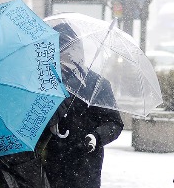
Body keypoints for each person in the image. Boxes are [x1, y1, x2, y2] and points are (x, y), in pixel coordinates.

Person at [42, 23, 124, 188]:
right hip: (50, 166)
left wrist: (96, 136)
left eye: (67, 48)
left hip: (84, 168)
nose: (63, 55)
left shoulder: (96, 84)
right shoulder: (45, 82)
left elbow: (114, 123)